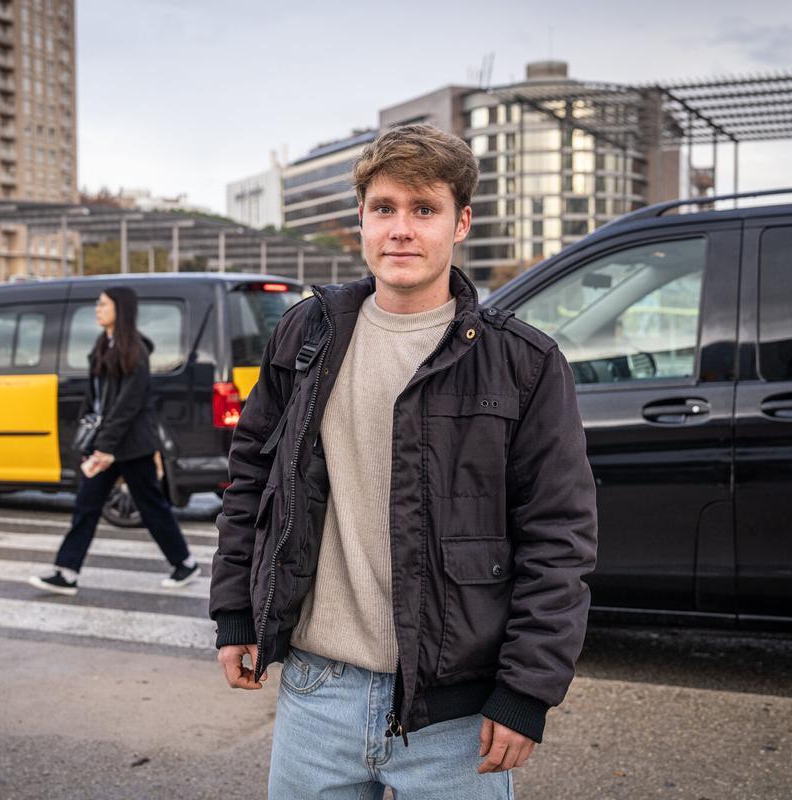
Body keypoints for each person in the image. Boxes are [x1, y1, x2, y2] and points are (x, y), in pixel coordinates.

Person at [209, 124, 598, 798]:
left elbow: (559, 535)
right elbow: (252, 478)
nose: (401, 230)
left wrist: (526, 690)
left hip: (456, 715)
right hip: (316, 690)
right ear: (360, 218)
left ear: (460, 223)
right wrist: (235, 613)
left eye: (424, 209)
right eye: (384, 208)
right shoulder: (306, 334)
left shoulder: (524, 362)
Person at [30, 286, 199, 596]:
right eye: (98, 304)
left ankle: (184, 562)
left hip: (132, 446)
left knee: (151, 506)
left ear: (120, 309)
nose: (97, 309)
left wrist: (104, 448)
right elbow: (95, 399)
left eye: (103, 305)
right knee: (86, 505)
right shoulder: (102, 345)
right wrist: (91, 441)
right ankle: (67, 572)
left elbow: (128, 406)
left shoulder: (135, 351)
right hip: (108, 443)